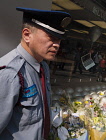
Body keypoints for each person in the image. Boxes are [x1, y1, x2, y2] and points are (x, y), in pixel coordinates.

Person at [0, 7, 71, 139]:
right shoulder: (10, 73)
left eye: (59, 39)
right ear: (27, 35)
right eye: (51, 38)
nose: (57, 45)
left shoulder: (42, 66)